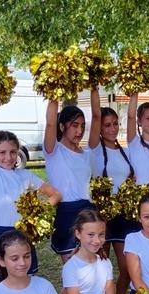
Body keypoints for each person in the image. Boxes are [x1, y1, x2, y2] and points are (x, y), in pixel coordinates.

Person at [0, 103, 60, 283]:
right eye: (2, 152)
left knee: (23, 281)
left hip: (20, 235)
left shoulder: (25, 175)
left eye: (13, 152)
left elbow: (55, 195)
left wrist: (38, 214)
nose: (8, 157)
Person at [88, 90, 138, 294]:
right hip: (102, 214)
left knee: (127, 265)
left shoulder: (124, 150)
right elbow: (95, 115)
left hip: (124, 215)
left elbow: (130, 178)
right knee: (101, 266)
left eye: (115, 124)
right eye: (107, 125)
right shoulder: (93, 150)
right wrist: (94, 86)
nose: (112, 128)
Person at [43, 99, 95, 263]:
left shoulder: (86, 154)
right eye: (74, 125)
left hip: (88, 212)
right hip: (66, 213)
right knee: (73, 269)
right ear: (62, 126)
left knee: (90, 268)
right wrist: (54, 93)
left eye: (82, 125)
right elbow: (50, 123)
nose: (79, 130)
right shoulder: (54, 150)